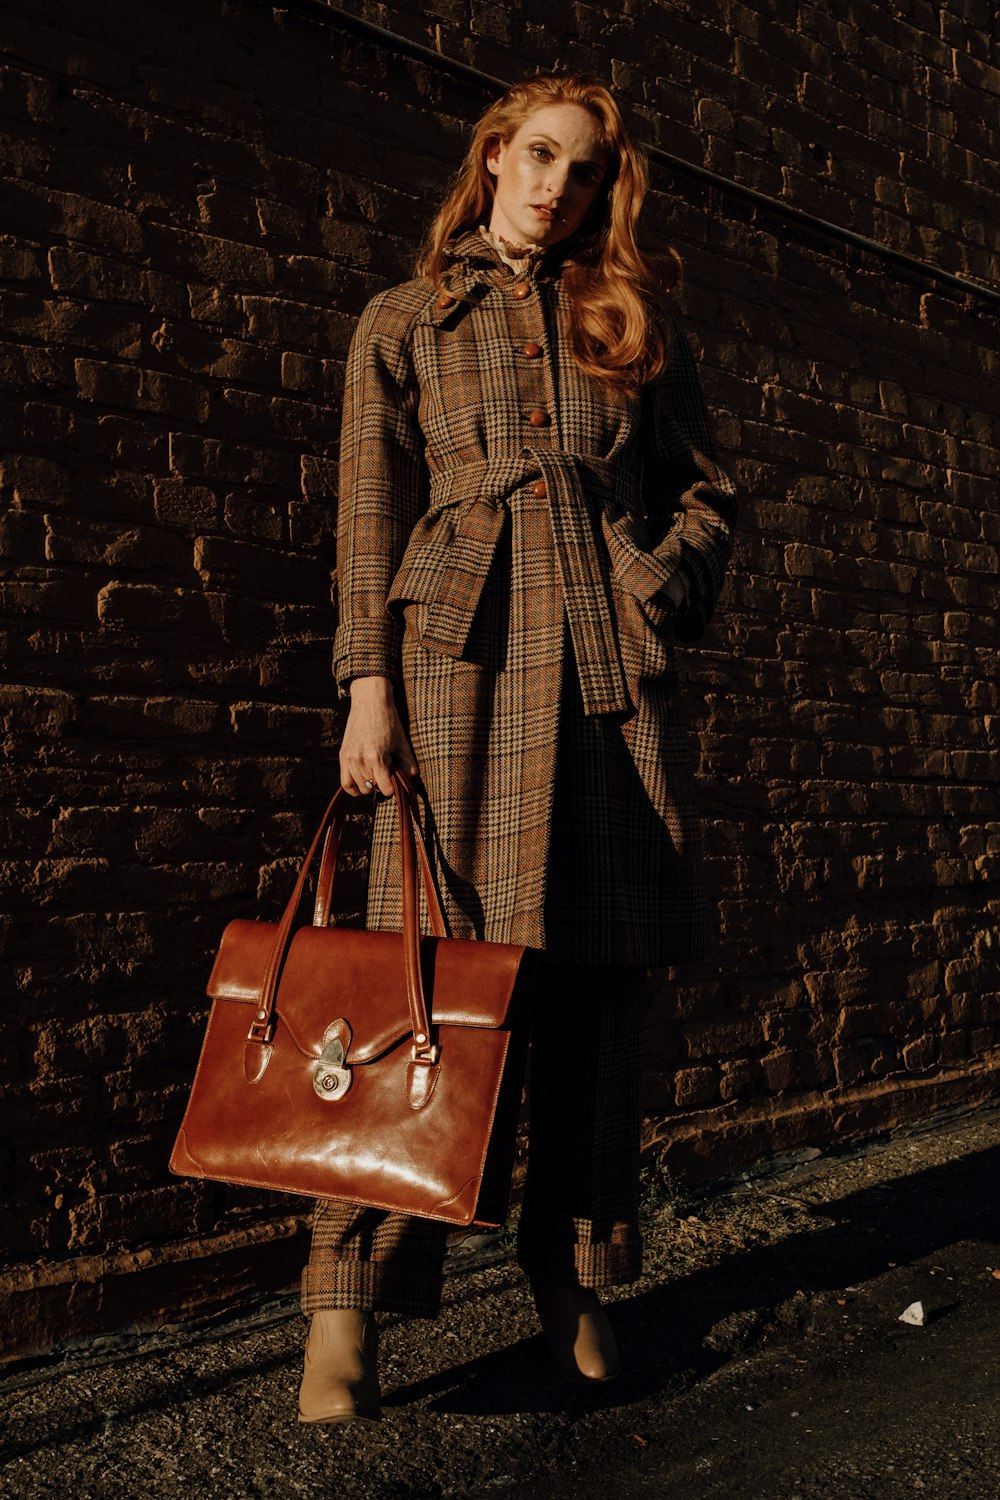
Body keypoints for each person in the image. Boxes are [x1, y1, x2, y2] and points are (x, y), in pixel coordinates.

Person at [297, 72, 738, 1424]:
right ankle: (349, 1308)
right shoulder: (404, 322)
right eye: (538, 156)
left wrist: (650, 589)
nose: (558, 185)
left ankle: (576, 1282)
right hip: (456, 676)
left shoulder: (625, 327)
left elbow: (712, 496)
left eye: (586, 170)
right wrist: (366, 686)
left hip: (600, 689)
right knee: (418, 985)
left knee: (596, 994)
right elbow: (370, 515)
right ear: (493, 159)